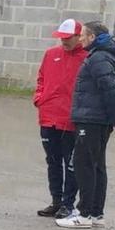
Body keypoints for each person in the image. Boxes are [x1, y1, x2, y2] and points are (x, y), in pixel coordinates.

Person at [59, 22, 115, 229]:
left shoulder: (99, 57)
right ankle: (96, 213)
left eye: (83, 35)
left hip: (92, 119)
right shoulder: (104, 55)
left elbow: (110, 89)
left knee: (85, 165)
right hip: (96, 118)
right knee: (96, 165)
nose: (80, 39)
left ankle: (85, 214)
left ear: (92, 37)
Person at [34, 18, 86, 218]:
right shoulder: (51, 54)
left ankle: (68, 203)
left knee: (71, 163)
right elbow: (41, 78)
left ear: (78, 37)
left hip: (71, 120)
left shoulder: (86, 57)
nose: (64, 41)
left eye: (68, 38)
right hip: (48, 117)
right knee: (53, 161)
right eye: (61, 38)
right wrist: (39, 98)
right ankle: (56, 200)